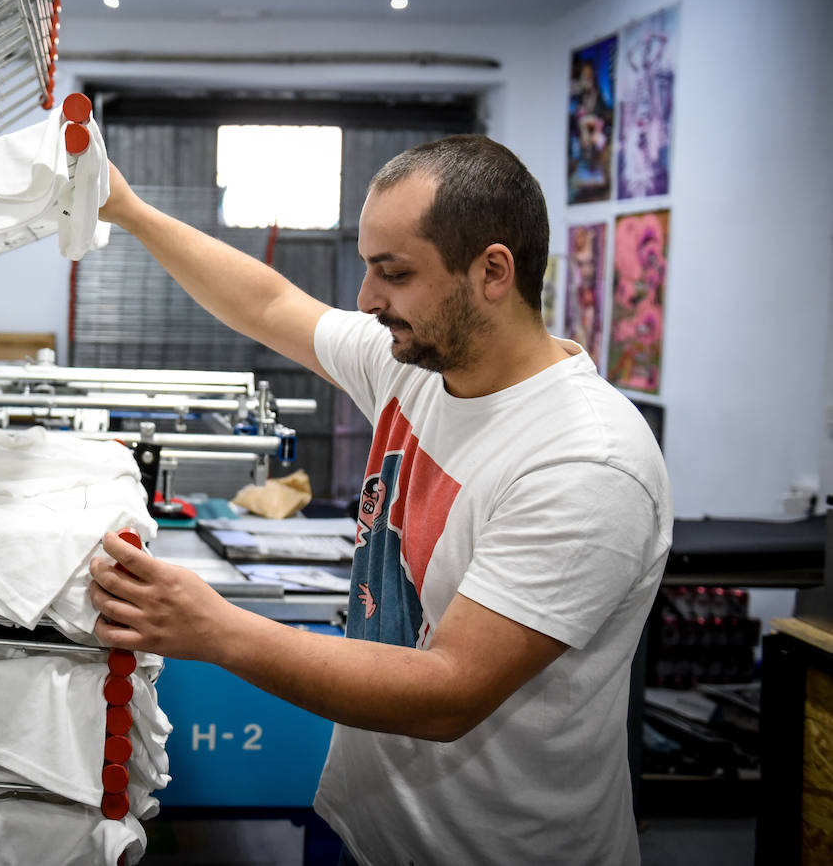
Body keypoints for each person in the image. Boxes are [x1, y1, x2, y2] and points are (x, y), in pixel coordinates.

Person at [87, 134, 671, 865]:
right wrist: (130, 209)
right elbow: (269, 303)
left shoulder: (586, 461)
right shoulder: (422, 366)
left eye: (393, 273)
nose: (367, 299)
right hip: (370, 825)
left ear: (493, 270)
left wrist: (217, 629)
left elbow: (449, 691)